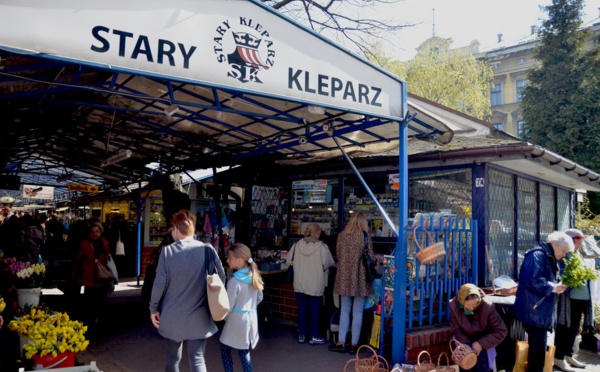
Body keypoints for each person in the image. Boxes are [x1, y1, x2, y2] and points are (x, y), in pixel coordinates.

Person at [149, 210, 225, 372]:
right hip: (199, 315)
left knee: (172, 360)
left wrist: (153, 308)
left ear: (176, 229)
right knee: (198, 360)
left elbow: (159, 284)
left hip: (172, 316)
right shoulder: (208, 249)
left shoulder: (167, 252)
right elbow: (222, 278)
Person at [513, 231, 571, 372]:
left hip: (538, 310)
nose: (564, 255)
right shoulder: (537, 255)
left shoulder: (546, 255)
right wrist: (553, 287)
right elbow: (531, 279)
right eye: (563, 251)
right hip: (534, 310)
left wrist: (558, 286)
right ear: (555, 244)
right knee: (537, 352)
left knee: (538, 352)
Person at [329, 212, 375, 354]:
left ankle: (341, 341)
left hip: (344, 276)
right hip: (360, 277)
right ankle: (354, 344)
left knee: (344, 309)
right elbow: (371, 257)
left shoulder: (342, 236)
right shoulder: (364, 236)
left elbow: (338, 254)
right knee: (357, 311)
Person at [287, 223, 335, 345]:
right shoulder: (322, 247)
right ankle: (314, 335)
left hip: (299, 283)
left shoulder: (296, 245)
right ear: (315, 234)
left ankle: (302, 335)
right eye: (318, 233)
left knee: (302, 310)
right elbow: (328, 263)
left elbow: (288, 261)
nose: (319, 236)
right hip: (315, 283)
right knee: (315, 311)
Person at [553, 229, 595, 371]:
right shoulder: (566, 255)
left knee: (574, 329)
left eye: (581, 239)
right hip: (569, 300)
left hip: (581, 298)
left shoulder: (578, 255)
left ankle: (568, 355)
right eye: (578, 239)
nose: (580, 243)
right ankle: (559, 358)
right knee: (565, 328)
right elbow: (562, 276)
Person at [220, 243, 264, 372]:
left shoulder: (234, 281)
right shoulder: (254, 276)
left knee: (225, 348)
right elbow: (259, 296)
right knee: (244, 351)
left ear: (239, 260)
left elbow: (228, 305)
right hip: (250, 319)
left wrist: (224, 318)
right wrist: (250, 307)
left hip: (236, 319)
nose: (227, 260)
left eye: (230, 258)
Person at [449, 283, 508, 372]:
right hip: (464, 339)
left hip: (483, 338)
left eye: (474, 304)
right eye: (468, 305)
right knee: (465, 360)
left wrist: (481, 344)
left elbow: (501, 331)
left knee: (482, 362)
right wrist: (466, 347)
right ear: (461, 301)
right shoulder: (454, 306)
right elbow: (455, 329)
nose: (471, 308)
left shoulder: (487, 306)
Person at [72, 222, 113, 335]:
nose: (95, 234)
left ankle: (99, 322)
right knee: (89, 301)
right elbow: (78, 260)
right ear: (89, 233)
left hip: (102, 277)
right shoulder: (84, 244)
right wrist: (76, 276)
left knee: (101, 301)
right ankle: (90, 323)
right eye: (92, 232)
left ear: (100, 232)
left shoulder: (105, 243)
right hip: (89, 276)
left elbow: (108, 258)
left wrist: (108, 255)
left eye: (97, 231)